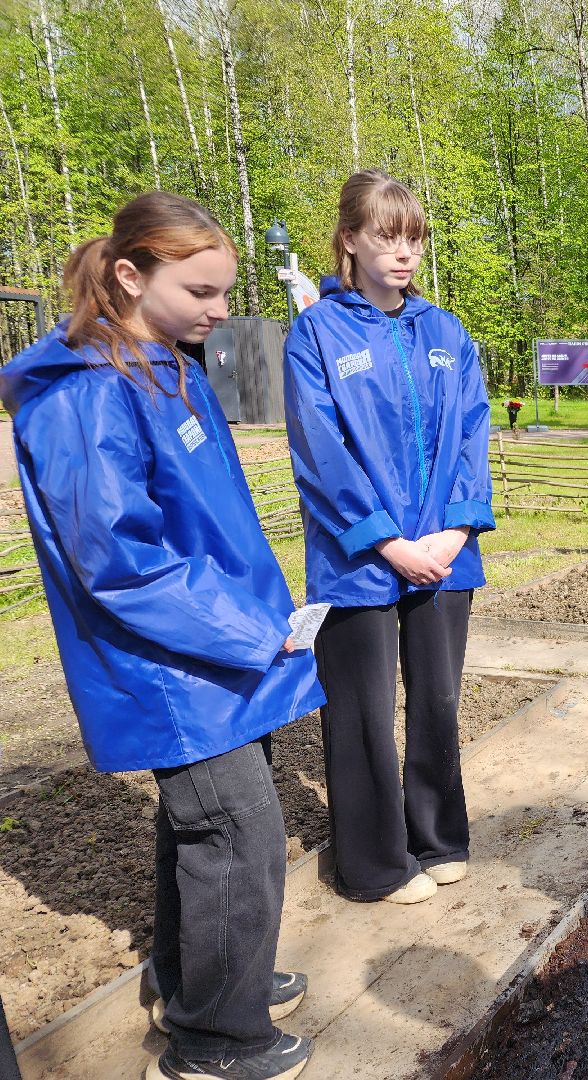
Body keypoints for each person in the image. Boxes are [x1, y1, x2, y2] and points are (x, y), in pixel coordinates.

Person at [0, 192, 324, 1080]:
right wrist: (250, 631)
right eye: (201, 292)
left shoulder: (162, 365)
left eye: (225, 293)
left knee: (207, 827)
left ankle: (204, 984)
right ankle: (214, 1042)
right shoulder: (89, 392)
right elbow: (120, 565)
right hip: (170, 664)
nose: (219, 311)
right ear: (130, 276)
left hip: (211, 649)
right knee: (237, 833)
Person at [284, 170, 494, 906]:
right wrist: (384, 541)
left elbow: (472, 432)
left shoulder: (446, 332)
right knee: (362, 715)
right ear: (349, 240)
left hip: (444, 553)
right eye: (387, 237)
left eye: (414, 240)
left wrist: (456, 529)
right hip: (358, 562)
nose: (404, 253)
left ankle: (438, 837)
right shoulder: (317, 333)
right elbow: (320, 449)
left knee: (437, 700)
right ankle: (374, 864)